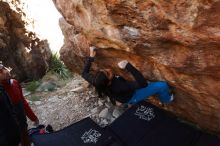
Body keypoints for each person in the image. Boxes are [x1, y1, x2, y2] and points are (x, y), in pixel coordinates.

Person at [82, 47, 174, 106]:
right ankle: (166, 100)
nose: (108, 70)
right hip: (132, 96)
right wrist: (128, 66)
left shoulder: (97, 81)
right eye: (108, 73)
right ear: (109, 82)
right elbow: (143, 84)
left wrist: (91, 57)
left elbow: (84, 73)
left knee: (122, 97)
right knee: (163, 86)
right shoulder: (118, 85)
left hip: (120, 96)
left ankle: (119, 101)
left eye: (104, 70)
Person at [0, 62, 39, 146]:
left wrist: (33, 117)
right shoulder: (2, 91)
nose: (5, 71)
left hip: (22, 122)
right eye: (1, 70)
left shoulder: (14, 83)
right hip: (9, 130)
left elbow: (23, 103)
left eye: (3, 68)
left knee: (25, 139)